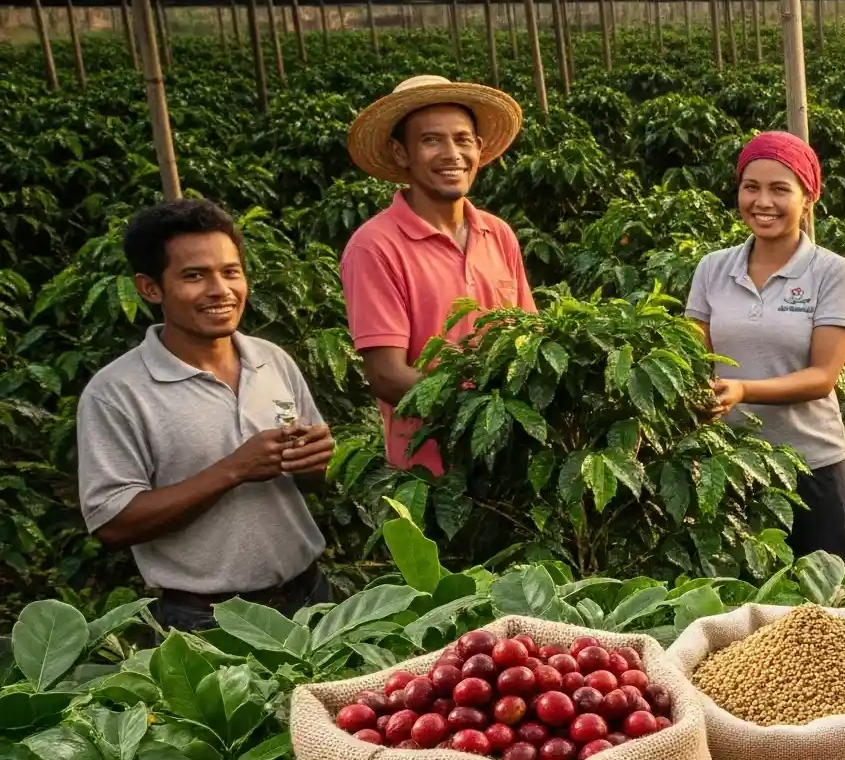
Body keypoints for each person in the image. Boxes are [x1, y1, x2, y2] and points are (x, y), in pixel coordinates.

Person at [77, 200, 334, 631]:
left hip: (310, 596)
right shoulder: (116, 393)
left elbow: (312, 481)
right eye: (194, 276)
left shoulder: (271, 359)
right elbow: (113, 524)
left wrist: (314, 461)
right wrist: (235, 469)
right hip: (208, 620)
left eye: (231, 271)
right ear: (150, 288)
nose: (221, 290)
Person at [683, 131, 845, 561]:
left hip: (811, 466)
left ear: (808, 199)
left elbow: (822, 377)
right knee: (735, 596)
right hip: (728, 466)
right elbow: (694, 356)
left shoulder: (833, 273)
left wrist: (743, 389)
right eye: (751, 187)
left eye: (780, 189)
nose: (762, 202)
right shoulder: (712, 269)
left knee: (823, 597)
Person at [338, 74, 532, 475]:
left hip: (511, 467)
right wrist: (482, 414)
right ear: (401, 153)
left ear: (478, 148)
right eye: (431, 140)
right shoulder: (374, 247)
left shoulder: (498, 233)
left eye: (462, 140)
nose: (452, 154)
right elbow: (386, 374)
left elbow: (530, 335)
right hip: (430, 477)